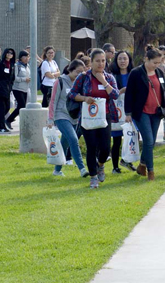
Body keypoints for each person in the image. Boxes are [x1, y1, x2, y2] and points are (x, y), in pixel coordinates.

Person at [69, 48, 120, 189]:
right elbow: (72, 94)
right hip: (88, 117)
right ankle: (93, 177)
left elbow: (115, 95)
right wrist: (85, 98)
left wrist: (103, 81)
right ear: (91, 62)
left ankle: (100, 165)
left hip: (105, 116)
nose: (100, 64)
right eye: (97, 61)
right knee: (91, 147)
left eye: (103, 61)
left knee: (105, 148)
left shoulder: (109, 78)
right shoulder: (83, 77)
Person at [124, 45, 165, 181]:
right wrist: (128, 112)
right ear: (146, 59)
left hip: (156, 112)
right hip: (141, 112)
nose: (156, 65)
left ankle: (142, 165)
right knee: (148, 140)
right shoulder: (136, 73)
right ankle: (150, 171)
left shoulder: (159, 73)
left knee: (150, 143)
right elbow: (129, 94)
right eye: (154, 62)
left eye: (159, 63)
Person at [48, 59, 89, 178]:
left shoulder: (81, 83)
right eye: (77, 72)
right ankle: (82, 169)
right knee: (73, 139)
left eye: (82, 72)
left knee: (64, 144)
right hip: (61, 116)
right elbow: (53, 101)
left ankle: (57, 170)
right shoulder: (60, 81)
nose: (79, 75)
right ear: (70, 70)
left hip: (74, 117)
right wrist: (50, 119)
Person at [109, 50, 136, 173]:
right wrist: (121, 91)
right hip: (117, 111)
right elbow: (110, 93)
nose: (122, 61)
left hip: (131, 111)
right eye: (120, 59)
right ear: (116, 60)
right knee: (117, 140)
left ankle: (127, 160)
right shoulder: (112, 76)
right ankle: (115, 167)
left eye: (125, 58)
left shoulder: (134, 74)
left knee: (130, 137)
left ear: (129, 60)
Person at [6, 50, 31, 129]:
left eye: (28, 56)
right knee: (22, 106)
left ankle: (11, 120)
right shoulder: (17, 66)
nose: (27, 58)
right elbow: (15, 78)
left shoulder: (28, 66)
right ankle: (9, 120)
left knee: (22, 106)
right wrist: (24, 79)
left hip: (25, 89)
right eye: (25, 56)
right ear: (20, 57)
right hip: (17, 89)